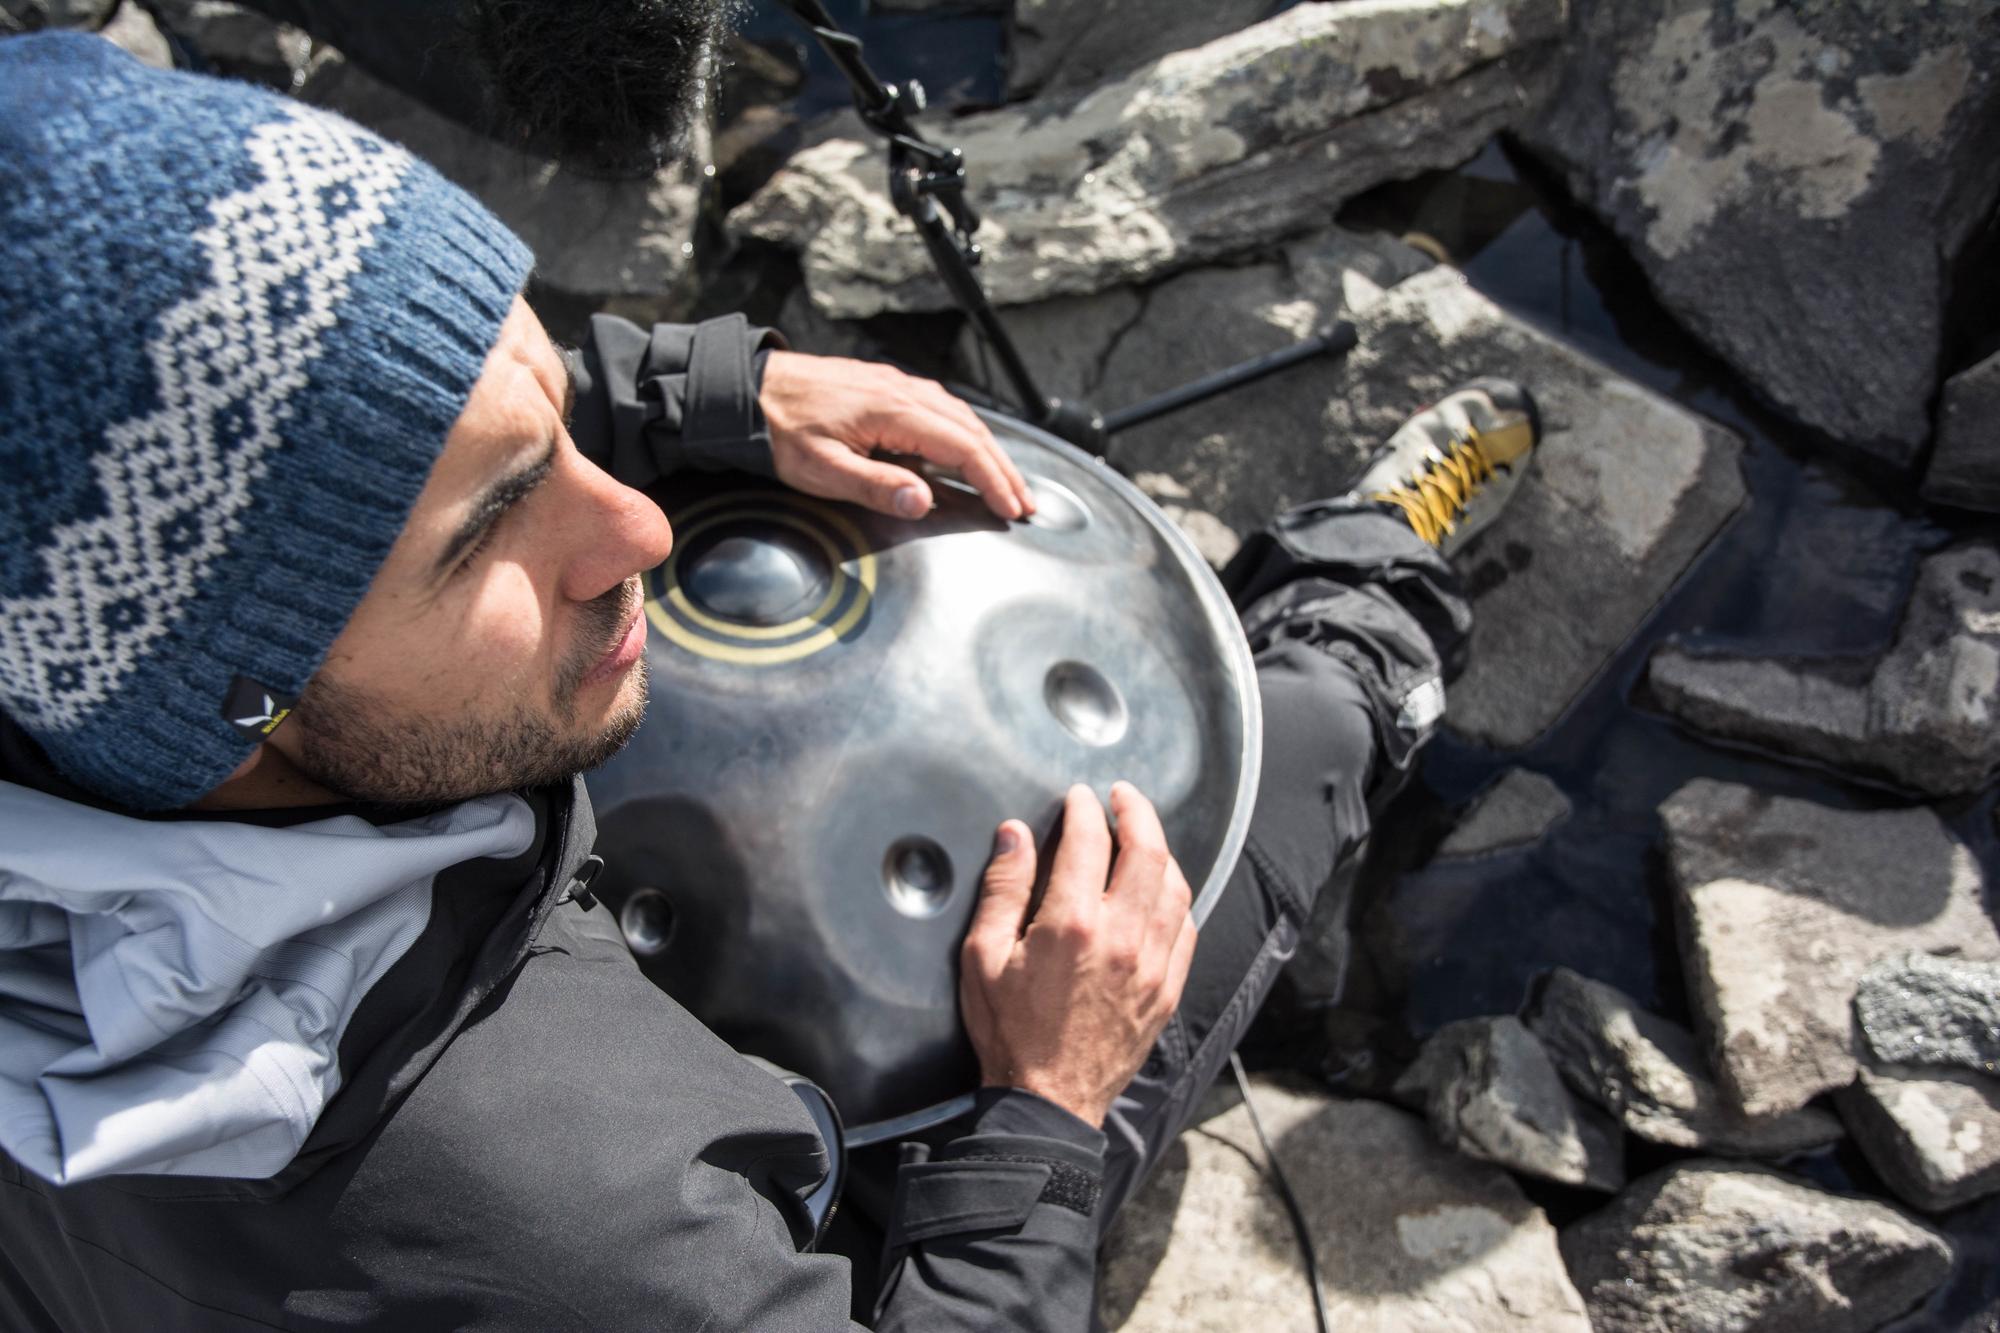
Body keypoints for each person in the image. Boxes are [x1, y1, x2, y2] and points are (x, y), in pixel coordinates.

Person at [0, 32, 1539, 1332]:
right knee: (1229, 804)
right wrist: (1042, 1124)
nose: (640, 525)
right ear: (233, 694)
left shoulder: (80, 643)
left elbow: (331, 481)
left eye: (547, 410)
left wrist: (690, 392)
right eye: (489, 536)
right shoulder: (555, 1215)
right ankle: (1367, 602)